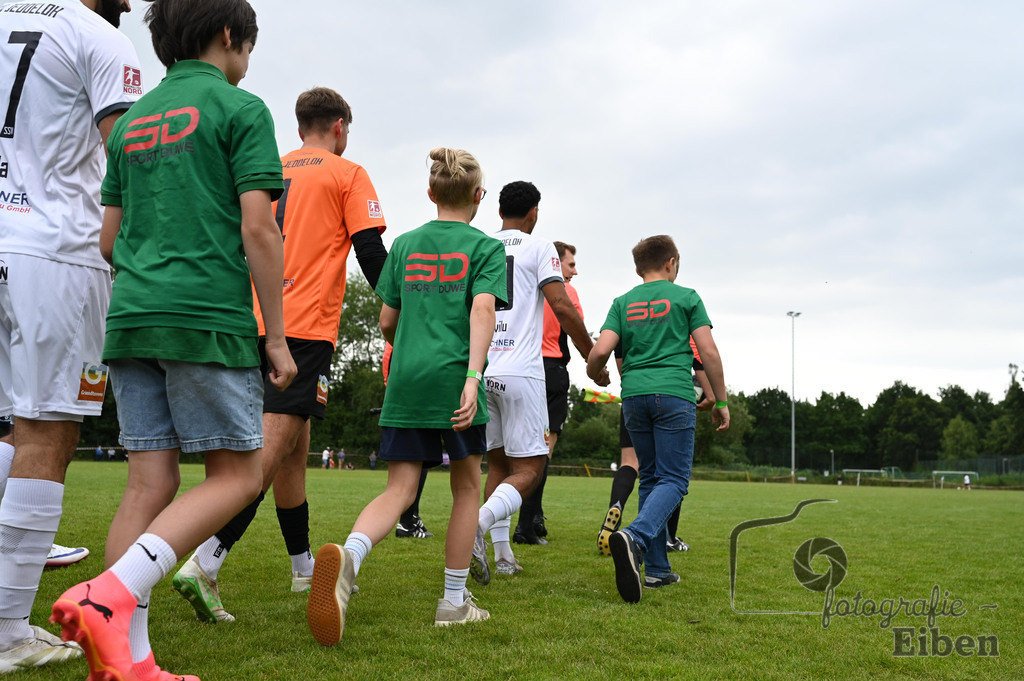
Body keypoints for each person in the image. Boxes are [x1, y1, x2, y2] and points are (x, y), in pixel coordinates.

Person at [51, 3, 297, 681]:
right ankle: (107, 595)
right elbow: (259, 229)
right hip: (204, 316)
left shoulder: (131, 123)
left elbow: (109, 239)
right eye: (249, 45)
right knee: (239, 475)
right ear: (229, 35)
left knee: (149, 481)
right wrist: (277, 338)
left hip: (132, 318)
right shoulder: (241, 109)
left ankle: (128, 658)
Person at [172, 86, 388, 624]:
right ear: (339, 126)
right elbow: (370, 251)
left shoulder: (267, 167)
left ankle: (301, 565)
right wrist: (404, 313)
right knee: (269, 450)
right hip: (303, 328)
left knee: (294, 444)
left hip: (252, 318)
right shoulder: (348, 173)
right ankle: (206, 560)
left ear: (299, 127)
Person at [307, 147, 506, 643]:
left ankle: (350, 556)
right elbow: (483, 310)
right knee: (467, 489)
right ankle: (454, 602)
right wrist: (472, 376)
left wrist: (411, 345)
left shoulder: (404, 245)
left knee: (398, 490)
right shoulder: (485, 248)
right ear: (478, 196)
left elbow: (386, 322)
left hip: (407, 380)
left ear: (430, 192)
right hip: (455, 379)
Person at [0, 0, 142, 672]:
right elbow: (134, 159)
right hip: (57, 251)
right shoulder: (97, 36)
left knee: (10, 430)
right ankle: (7, 629)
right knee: (46, 433)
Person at [471, 181, 609, 580]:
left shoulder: (480, 245)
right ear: (533, 212)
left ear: (500, 211)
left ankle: (502, 556)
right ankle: (476, 525)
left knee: (498, 466)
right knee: (530, 470)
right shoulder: (539, 246)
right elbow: (561, 305)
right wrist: (591, 356)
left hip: (482, 369)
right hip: (521, 370)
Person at [586, 235, 728, 603]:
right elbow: (708, 352)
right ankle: (634, 537)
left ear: (638, 269)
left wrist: (594, 373)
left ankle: (658, 570)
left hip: (634, 397)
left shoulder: (622, 302)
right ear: (671, 263)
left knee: (649, 477)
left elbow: (600, 351)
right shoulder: (686, 297)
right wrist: (721, 399)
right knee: (675, 479)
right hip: (673, 395)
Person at [597, 338, 713, 556]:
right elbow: (701, 355)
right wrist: (714, 395)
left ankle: (617, 505)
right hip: (672, 395)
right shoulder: (679, 316)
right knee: (671, 474)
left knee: (631, 464)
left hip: (634, 395)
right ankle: (660, 537)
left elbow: (615, 354)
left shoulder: (626, 316)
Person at [516, 241, 583, 544]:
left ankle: (533, 517)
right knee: (543, 452)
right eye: (571, 264)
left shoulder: (523, 285)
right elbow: (575, 327)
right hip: (551, 369)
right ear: (557, 264)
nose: (574, 271)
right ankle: (525, 526)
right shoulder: (566, 291)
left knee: (516, 453)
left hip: (519, 367)